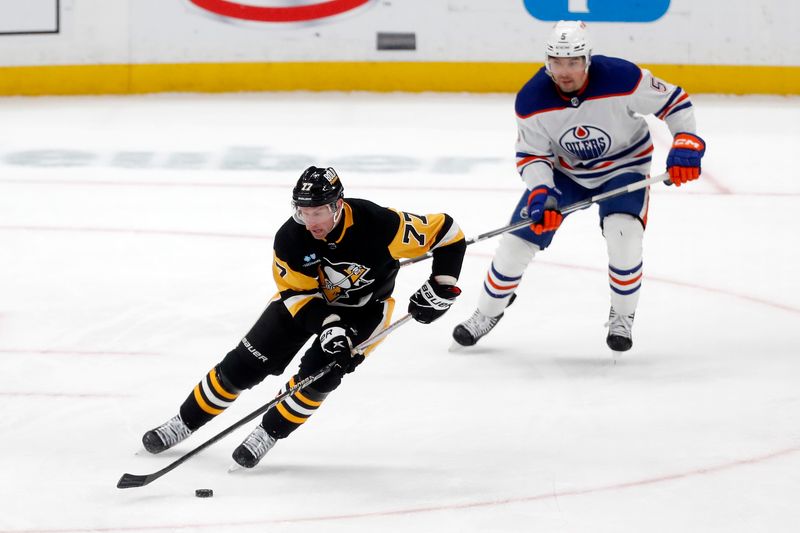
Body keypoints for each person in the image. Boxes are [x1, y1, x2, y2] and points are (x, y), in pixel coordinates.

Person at [141, 166, 466, 468]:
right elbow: (297, 295)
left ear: (338, 205)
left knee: (321, 377)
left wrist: (443, 284)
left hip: (365, 311)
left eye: (318, 212)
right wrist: (329, 326)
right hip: (306, 306)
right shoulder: (291, 238)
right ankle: (184, 422)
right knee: (242, 366)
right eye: (303, 211)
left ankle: (267, 433)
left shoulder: (379, 224)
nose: (311, 221)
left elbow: (449, 234)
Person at [452, 20, 706, 352]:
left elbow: (675, 102)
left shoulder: (623, 78)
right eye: (557, 62)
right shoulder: (532, 100)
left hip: (624, 167)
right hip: (566, 174)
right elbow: (532, 155)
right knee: (516, 242)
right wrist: (543, 192)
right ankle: (486, 314)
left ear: (587, 59)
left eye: (572, 62)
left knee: (623, 233)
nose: (564, 71)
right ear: (547, 61)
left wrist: (685, 141)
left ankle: (622, 317)